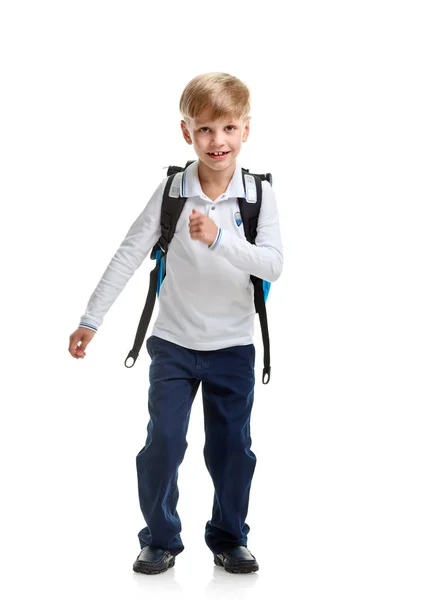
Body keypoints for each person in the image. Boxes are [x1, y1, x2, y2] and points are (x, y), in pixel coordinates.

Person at [68, 72, 284, 575]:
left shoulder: (258, 195)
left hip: (232, 345)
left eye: (228, 128)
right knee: (163, 442)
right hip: (173, 343)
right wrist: (91, 319)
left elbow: (272, 265)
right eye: (205, 129)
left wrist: (218, 239)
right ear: (186, 132)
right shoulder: (172, 190)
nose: (218, 141)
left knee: (233, 450)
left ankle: (230, 538)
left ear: (246, 130)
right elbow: (128, 253)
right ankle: (160, 538)